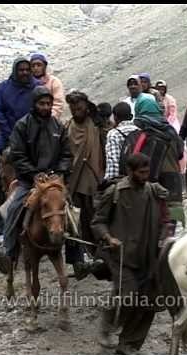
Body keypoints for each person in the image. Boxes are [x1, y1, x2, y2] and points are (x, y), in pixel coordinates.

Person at [91, 153, 170, 355]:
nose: (146, 176)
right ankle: (108, 323)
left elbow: (168, 218)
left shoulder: (155, 192)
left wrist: (165, 236)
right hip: (120, 256)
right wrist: (109, 238)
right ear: (130, 171)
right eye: (141, 172)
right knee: (128, 295)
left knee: (150, 303)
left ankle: (129, 344)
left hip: (149, 257)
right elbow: (97, 222)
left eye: (147, 172)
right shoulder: (115, 192)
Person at [0, 86, 72, 275]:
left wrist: (58, 172)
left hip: (53, 180)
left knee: (71, 209)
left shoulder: (58, 127)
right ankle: (8, 251)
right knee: (12, 208)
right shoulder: (22, 126)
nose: (45, 107)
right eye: (41, 103)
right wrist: (33, 174)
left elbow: (67, 154)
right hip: (29, 180)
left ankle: (78, 255)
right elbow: (18, 155)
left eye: (48, 104)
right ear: (34, 104)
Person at [0, 57, 41, 196]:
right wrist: (9, 133)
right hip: (7, 133)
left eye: (27, 69)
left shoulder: (38, 87)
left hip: (31, 134)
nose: (25, 72)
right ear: (15, 71)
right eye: (21, 70)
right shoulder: (3, 88)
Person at [66, 90, 107, 276]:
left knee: (94, 219)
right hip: (72, 182)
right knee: (73, 222)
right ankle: (78, 262)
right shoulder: (67, 127)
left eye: (79, 107)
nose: (76, 111)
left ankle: (100, 257)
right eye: (73, 108)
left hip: (93, 179)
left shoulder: (97, 126)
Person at [133, 94, 185, 235]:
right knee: (171, 221)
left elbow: (135, 156)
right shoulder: (170, 130)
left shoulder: (141, 131)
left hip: (150, 181)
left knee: (152, 225)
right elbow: (180, 153)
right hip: (173, 180)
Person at [104, 102, 138, 180]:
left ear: (115, 118)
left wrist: (110, 181)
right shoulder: (140, 131)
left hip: (124, 180)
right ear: (131, 116)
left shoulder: (113, 134)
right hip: (140, 178)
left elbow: (113, 161)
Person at [30, 52, 65, 121]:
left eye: (39, 65)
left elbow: (58, 105)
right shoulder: (27, 83)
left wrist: (47, 119)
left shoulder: (54, 82)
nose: (36, 68)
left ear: (45, 66)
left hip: (50, 120)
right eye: (33, 66)